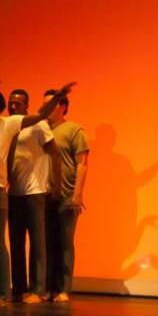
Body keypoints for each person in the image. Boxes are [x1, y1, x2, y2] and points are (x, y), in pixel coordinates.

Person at [0, 78, 75, 306]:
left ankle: (17, 292)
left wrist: (55, 183)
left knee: (13, 243)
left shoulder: (12, 124)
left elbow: (42, 119)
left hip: (14, 190)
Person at [6, 89, 55, 303]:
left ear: (27, 105)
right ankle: (19, 289)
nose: (13, 106)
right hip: (14, 191)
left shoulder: (38, 125)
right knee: (16, 242)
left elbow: (54, 152)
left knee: (37, 241)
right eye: (11, 103)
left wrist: (55, 181)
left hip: (35, 190)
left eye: (18, 103)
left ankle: (38, 289)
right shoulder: (7, 125)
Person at [43, 89, 90, 302]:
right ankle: (46, 287)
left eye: (50, 104)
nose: (46, 109)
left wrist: (77, 193)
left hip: (66, 195)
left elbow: (82, 164)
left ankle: (63, 289)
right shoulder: (41, 129)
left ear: (62, 106)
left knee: (64, 242)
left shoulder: (74, 131)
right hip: (45, 195)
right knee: (46, 242)